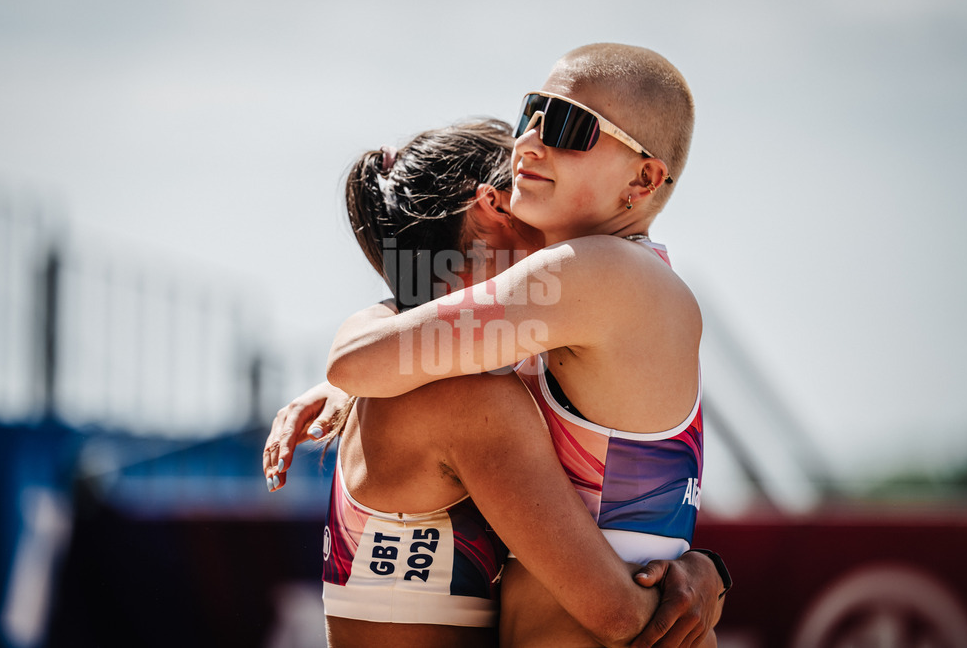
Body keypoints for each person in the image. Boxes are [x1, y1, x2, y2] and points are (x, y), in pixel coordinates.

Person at [264, 119, 723, 647]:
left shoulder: (437, 373)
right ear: (496, 206)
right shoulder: (469, 398)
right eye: (531, 186)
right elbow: (621, 613)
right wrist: (700, 585)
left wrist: (703, 567)